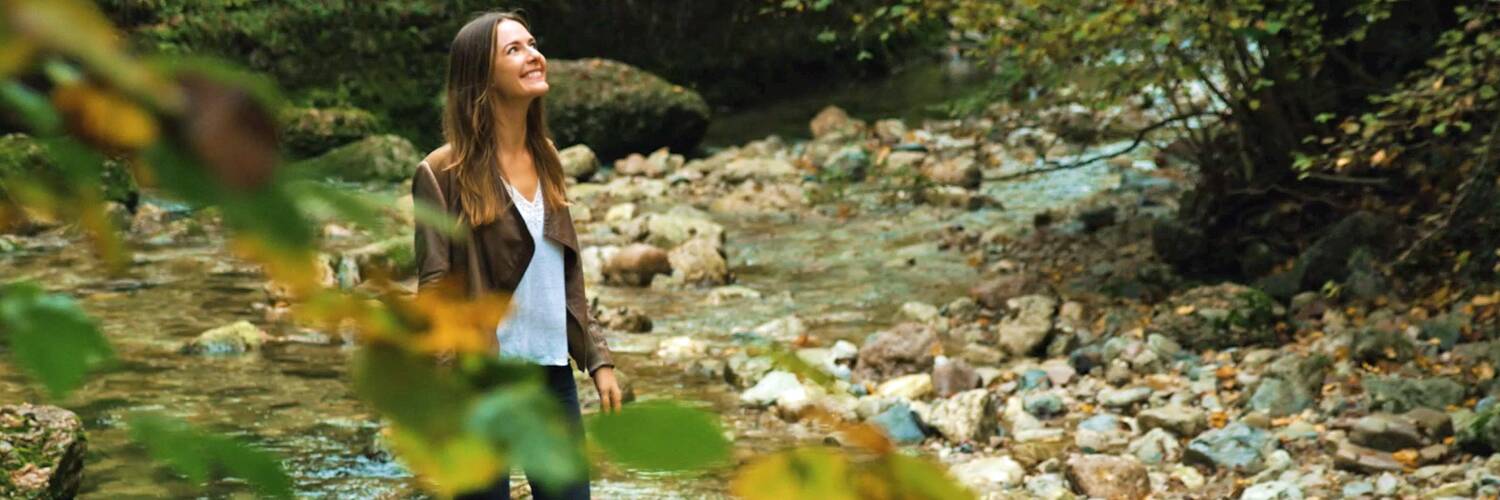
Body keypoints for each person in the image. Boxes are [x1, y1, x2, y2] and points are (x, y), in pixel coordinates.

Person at [411, 10, 621, 500]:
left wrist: (598, 359)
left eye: (532, 43)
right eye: (514, 50)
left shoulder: (546, 155)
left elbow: (565, 271)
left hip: (552, 376)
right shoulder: (441, 172)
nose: (534, 55)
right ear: (481, 77)